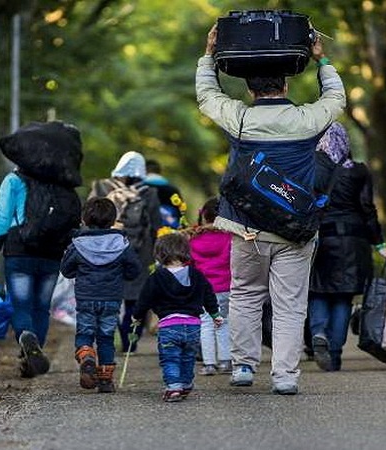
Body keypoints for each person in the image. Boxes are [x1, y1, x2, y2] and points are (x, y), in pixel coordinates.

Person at [196, 25, 346, 394]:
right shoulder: (308, 120)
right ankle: (284, 376)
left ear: (250, 90)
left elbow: (206, 95)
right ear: (286, 86)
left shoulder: (241, 119)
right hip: (295, 230)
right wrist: (321, 58)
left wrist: (208, 52)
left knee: (245, 294)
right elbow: (337, 97)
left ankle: (244, 367)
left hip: (247, 227)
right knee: (290, 305)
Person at [0, 121, 82, 378]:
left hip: (19, 251)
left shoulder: (14, 180)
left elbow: (1, 219)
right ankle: (33, 354)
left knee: (21, 305)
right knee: (41, 307)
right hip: (51, 254)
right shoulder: (64, 186)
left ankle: (27, 339)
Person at [308, 122, 386, 372]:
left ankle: (318, 334)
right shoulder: (358, 171)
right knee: (343, 297)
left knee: (317, 290)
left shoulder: (310, 169)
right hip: (353, 243)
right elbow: (368, 208)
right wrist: (379, 243)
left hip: (320, 239)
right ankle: (334, 356)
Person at [60, 197, 143, 392]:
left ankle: (87, 355)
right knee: (106, 337)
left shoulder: (78, 243)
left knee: (85, 333)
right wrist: (123, 274)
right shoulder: (121, 243)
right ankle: (105, 380)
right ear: (113, 219)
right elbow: (134, 270)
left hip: (86, 298)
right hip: (111, 299)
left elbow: (66, 270)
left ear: (85, 219)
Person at [131, 233, 223, 402]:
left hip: (169, 326)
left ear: (159, 253)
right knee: (188, 357)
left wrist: (137, 316)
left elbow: (144, 299)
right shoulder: (196, 275)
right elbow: (208, 294)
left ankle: (173, 387)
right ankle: (186, 383)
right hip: (193, 325)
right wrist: (215, 313)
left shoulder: (157, 277)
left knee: (170, 358)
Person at [89, 151, 161, 354]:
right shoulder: (149, 192)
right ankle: (130, 340)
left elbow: (88, 219)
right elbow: (157, 226)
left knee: (109, 296)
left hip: (106, 251)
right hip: (140, 252)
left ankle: (106, 338)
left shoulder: (101, 187)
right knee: (135, 300)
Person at [183, 197, 232, 376]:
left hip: (203, 289)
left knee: (205, 324)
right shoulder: (229, 238)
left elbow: (189, 264)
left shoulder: (194, 240)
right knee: (223, 322)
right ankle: (226, 361)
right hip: (225, 286)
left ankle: (209, 363)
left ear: (203, 216)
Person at [144, 159, 189, 231]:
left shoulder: (140, 188)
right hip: (169, 228)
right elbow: (180, 211)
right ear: (160, 171)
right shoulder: (172, 190)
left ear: (144, 171)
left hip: (147, 228)